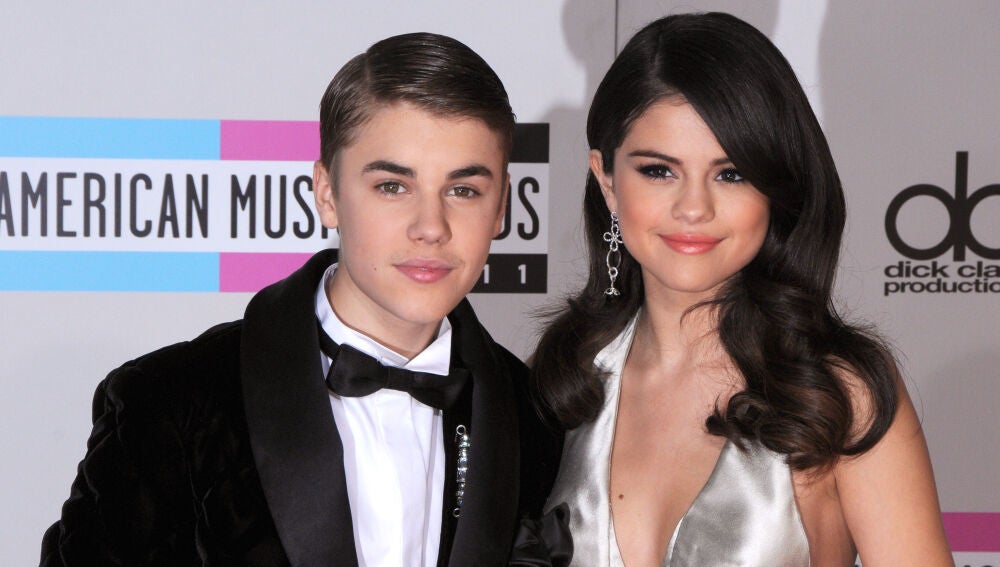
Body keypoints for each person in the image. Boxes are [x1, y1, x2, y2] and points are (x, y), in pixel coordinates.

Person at [40, 32, 560, 567]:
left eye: (463, 190)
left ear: (501, 208)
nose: (431, 226)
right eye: (392, 186)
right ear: (327, 193)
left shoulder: (535, 418)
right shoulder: (172, 402)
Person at [532, 12, 953, 567]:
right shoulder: (562, 379)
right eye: (659, 170)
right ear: (607, 180)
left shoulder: (837, 394)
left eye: (731, 174)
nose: (693, 208)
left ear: (776, 189)